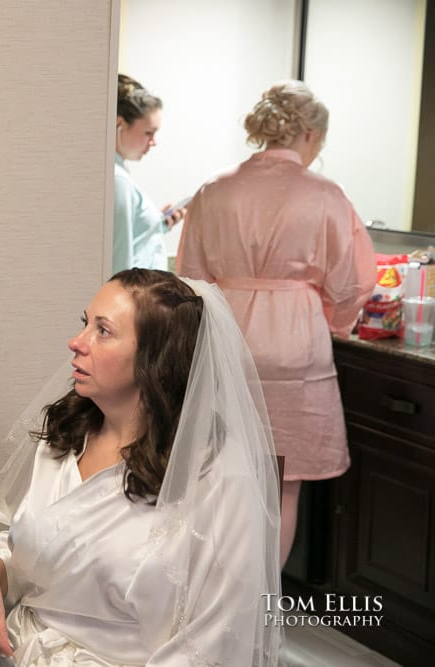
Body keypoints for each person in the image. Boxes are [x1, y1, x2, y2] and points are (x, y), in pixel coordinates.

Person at [0, 269, 282, 667]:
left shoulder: (215, 475)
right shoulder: (63, 434)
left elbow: (217, 639)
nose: (76, 343)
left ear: (156, 358)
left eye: (103, 331)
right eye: (85, 324)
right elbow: (29, 542)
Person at [177, 80, 375, 563]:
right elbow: (353, 283)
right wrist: (336, 322)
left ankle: (211, 603)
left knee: (221, 476)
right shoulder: (326, 195)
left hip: (227, 343)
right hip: (294, 346)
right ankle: (261, 613)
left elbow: (190, 280)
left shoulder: (213, 190)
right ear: (309, 135)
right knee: (284, 487)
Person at [112, 75, 183, 274]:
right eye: (148, 133)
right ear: (120, 124)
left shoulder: (118, 175)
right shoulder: (118, 180)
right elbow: (119, 263)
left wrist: (156, 224)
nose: (154, 142)